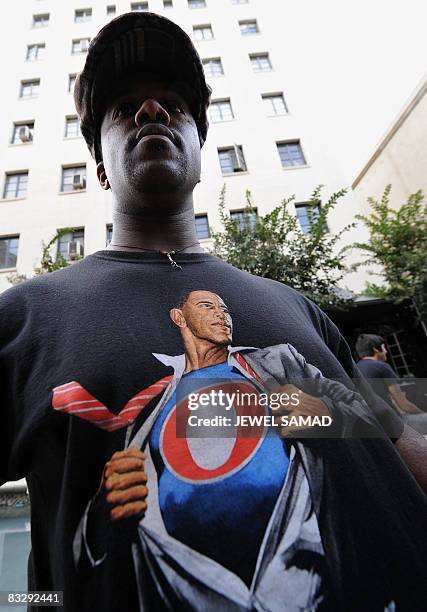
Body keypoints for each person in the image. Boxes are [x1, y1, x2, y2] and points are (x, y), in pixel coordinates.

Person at [0, 11, 426, 612]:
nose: (151, 112)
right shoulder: (26, 319)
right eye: (124, 108)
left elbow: (389, 442)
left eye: (173, 103)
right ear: (98, 165)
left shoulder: (295, 311)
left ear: (202, 148)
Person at [356, 333, 427, 433]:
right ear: (376, 349)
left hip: (372, 422)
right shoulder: (382, 366)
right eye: (384, 347)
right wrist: (422, 413)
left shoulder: (355, 369)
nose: (386, 351)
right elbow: (404, 404)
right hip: (392, 422)